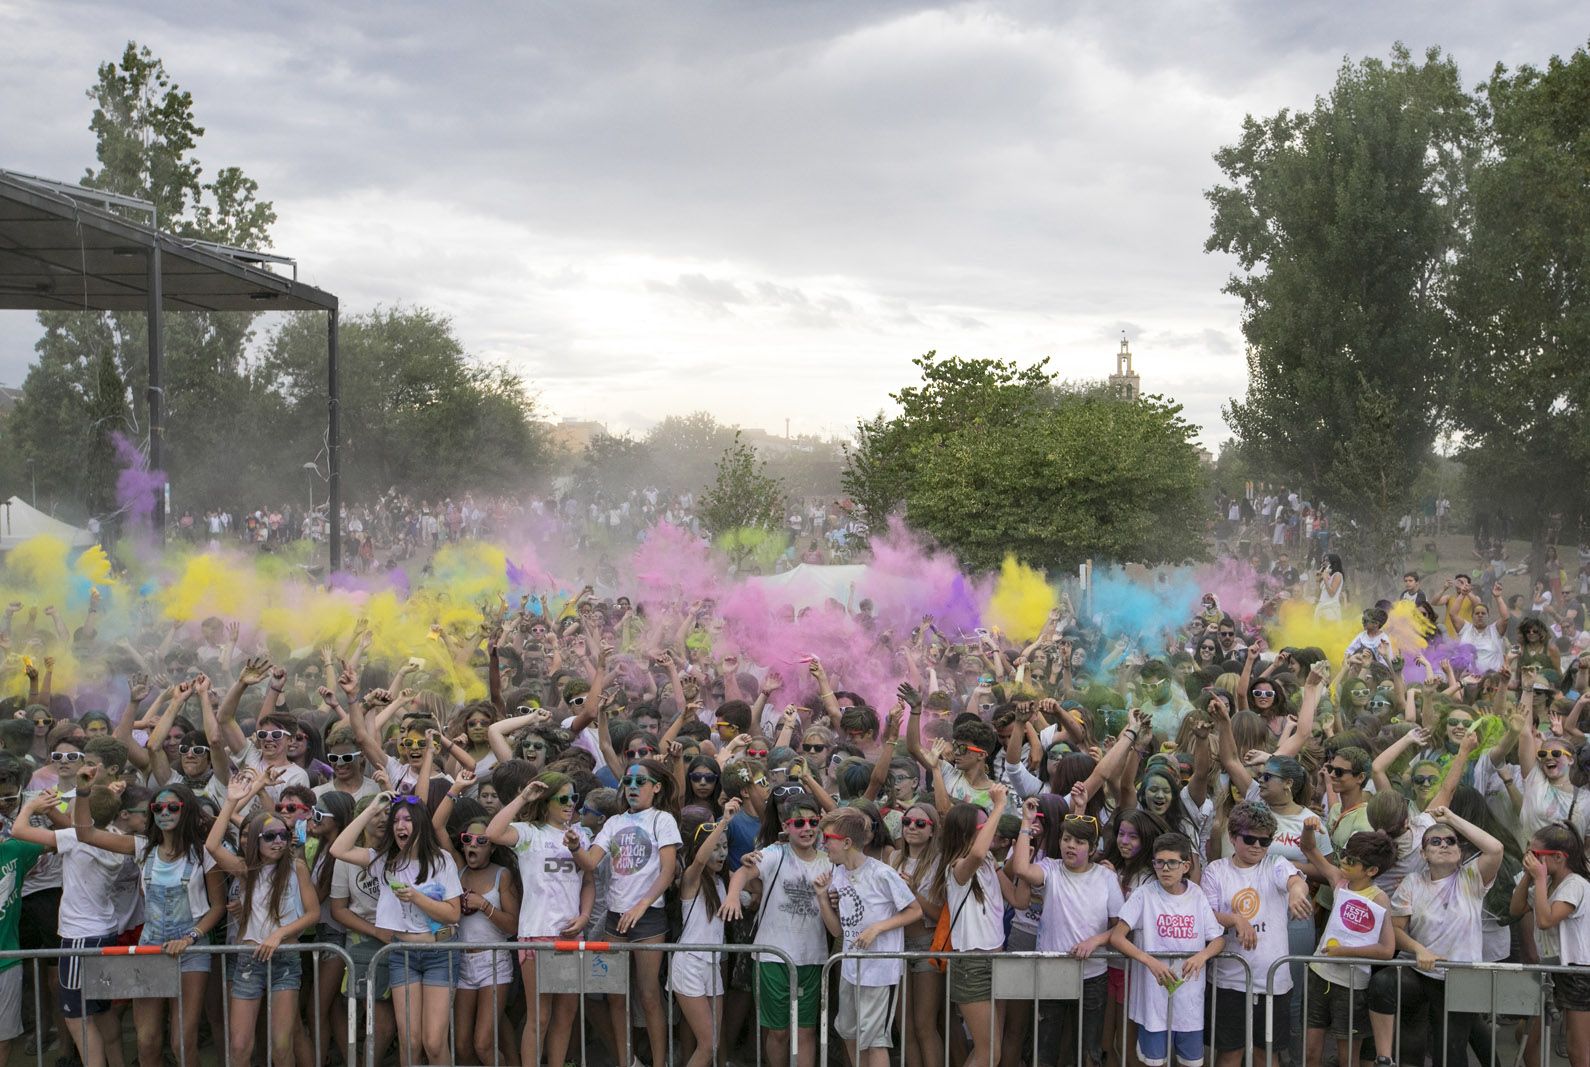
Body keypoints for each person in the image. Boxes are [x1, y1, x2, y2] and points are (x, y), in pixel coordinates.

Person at [330, 791, 463, 1066]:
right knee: (410, 1042)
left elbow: (453, 913)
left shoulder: (442, 861)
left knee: (434, 1043)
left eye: (408, 820)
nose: (400, 825)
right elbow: (338, 849)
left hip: (440, 952)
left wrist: (416, 897)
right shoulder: (383, 861)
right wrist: (372, 808)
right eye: (396, 820)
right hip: (402, 955)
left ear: (421, 824)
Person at [1366, 804, 1504, 1067]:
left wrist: (1451, 818)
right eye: (1435, 841)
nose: (1443, 845)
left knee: (1450, 1053)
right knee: (1382, 983)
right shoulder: (1412, 883)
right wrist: (1419, 949)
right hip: (1422, 973)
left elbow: (1495, 848)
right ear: (1423, 852)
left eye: (1450, 841)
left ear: (1460, 852)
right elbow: (1396, 928)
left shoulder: (1472, 877)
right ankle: (1384, 1056)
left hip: (1461, 978)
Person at [567, 758, 680, 1067]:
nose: (632, 787)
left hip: (649, 918)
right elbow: (590, 863)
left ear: (656, 788)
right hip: (615, 918)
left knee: (648, 995)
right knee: (615, 996)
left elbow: (667, 872)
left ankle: (659, 1062)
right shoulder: (614, 822)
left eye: (639, 782)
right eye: (627, 782)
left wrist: (641, 905)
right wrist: (576, 846)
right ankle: (625, 1061)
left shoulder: (662, 820)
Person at [204, 770, 321, 1067]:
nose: (278, 842)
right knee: (240, 1045)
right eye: (270, 837)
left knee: (282, 1047)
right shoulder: (246, 869)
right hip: (248, 959)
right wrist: (230, 801)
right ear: (255, 840)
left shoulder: (297, 868)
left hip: (285, 959)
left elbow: (313, 913)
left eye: (283, 835)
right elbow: (212, 846)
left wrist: (279, 933)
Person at [486, 770, 592, 1067]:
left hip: (571, 936)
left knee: (566, 1014)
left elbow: (588, 881)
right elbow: (492, 833)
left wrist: (584, 916)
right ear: (547, 802)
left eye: (574, 797)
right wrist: (523, 796)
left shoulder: (581, 835)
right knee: (540, 1015)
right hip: (537, 933)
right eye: (563, 798)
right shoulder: (529, 832)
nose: (570, 803)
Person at [1200, 802, 1312, 1067]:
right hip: (1229, 982)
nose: (1257, 847)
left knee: (1267, 1054)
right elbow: (1206, 913)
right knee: (1229, 1053)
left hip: (1273, 982)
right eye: (1250, 839)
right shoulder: (1216, 870)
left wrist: (1297, 892)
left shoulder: (1275, 863)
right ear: (1232, 837)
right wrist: (1235, 919)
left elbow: (1294, 881)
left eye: (1265, 841)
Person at [1007, 802, 1119, 1067]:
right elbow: (1021, 869)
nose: (1071, 845)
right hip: (1052, 971)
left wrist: (1096, 940)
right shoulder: (1051, 868)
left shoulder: (1106, 878)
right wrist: (1026, 822)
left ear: (1092, 849)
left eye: (1080, 842)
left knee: (1089, 1050)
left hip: (1093, 975)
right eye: (1066, 838)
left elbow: (1120, 927)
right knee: (1045, 1048)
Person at [814, 806, 921, 1067]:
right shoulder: (838, 873)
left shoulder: (882, 873)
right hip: (851, 966)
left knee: (875, 1041)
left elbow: (915, 911)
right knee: (848, 1032)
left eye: (828, 839)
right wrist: (821, 897)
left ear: (847, 842)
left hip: (880, 970)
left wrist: (878, 928)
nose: (824, 845)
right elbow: (837, 931)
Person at [1109, 832, 1226, 1067]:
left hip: (1189, 1000)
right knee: (1153, 1061)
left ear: (1186, 865)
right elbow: (1117, 937)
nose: (1165, 868)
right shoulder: (1144, 894)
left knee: (1191, 1062)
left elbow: (1218, 939)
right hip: (1153, 999)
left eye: (1171, 862)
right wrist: (1150, 961)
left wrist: (1202, 955)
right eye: (1159, 862)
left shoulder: (1197, 894)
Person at [1299, 822, 1397, 1067]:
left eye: (1351, 861)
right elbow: (1309, 849)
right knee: (1311, 1053)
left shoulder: (1379, 898)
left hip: (1352, 985)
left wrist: (1345, 952)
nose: (1343, 862)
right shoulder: (1339, 881)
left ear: (1372, 870)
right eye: (1343, 855)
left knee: (1347, 1059)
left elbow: (1387, 950)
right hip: (1319, 974)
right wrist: (1309, 828)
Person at [673, 802, 738, 1067]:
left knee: (713, 1044)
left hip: (712, 965)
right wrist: (724, 821)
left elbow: (753, 891)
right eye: (716, 847)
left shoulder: (723, 882)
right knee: (707, 1043)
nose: (721, 853)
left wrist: (749, 862)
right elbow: (700, 859)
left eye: (725, 847)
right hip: (689, 963)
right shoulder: (691, 878)